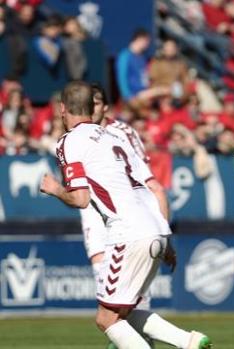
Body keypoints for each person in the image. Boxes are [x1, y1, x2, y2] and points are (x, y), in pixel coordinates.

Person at [39, 81, 211, 349]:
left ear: (63, 109)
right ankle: (189, 341)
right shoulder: (116, 137)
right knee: (124, 312)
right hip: (155, 228)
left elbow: (81, 199)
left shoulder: (69, 141)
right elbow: (153, 187)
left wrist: (55, 189)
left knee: (106, 319)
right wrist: (166, 237)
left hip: (128, 233)